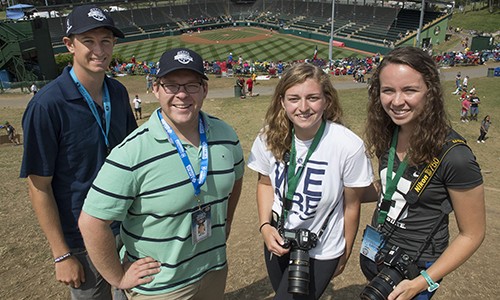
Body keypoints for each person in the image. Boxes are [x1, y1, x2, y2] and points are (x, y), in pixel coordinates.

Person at [79, 48, 245, 299]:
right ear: (156, 89)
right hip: (161, 288)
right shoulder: (132, 151)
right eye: (171, 85)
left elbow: (236, 180)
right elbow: (91, 223)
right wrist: (118, 277)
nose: (181, 94)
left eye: (191, 85)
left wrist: (227, 222)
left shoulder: (226, 135)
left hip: (214, 270)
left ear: (204, 90)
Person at [20, 5, 137, 300]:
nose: (99, 50)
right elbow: (39, 187)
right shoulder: (47, 105)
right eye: (89, 41)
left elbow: (134, 159)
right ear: (70, 44)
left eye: (106, 40)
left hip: (127, 229)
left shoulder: (118, 92)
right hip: (82, 241)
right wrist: (61, 254)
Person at [360, 47, 485, 300]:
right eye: (388, 90)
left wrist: (421, 283)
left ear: (430, 92)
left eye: (409, 90)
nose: (396, 101)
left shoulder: (456, 157)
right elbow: (391, 186)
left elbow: (473, 234)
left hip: (416, 272)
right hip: (380, 255)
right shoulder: (389, 133)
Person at [247, 63, 374, 299]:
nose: (303, 107)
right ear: (282, 102)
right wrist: (265, 226)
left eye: (312, 98)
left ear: (326, 100)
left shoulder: (348, 145)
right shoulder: (268, 137)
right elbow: (265, 183)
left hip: (322, 248)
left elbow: (352, 205)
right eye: (294, 98)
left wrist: (344, 253)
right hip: (278, 238)